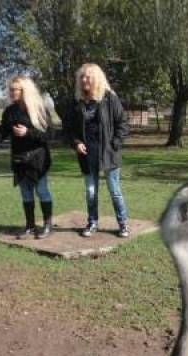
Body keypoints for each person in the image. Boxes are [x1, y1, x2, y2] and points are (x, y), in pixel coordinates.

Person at [0, 76, 53, 239]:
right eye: (10, 89)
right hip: (19, 160)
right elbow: (1, 132)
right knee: (26, 194)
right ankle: (29, 226)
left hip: (38, 161)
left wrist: (28, 132)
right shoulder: (10, 111)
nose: (10, 92)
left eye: (13, 89)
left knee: (42, 192)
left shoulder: (39, 109)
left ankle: (47, 225)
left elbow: (50, 135)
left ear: (24, 91)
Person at [64, 63, 130, 238]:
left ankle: (123, 223)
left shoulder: (109, 98)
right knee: (91, 191)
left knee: (114, 191)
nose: (84, 79)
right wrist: (76, 142)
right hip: (87, 155)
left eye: (88, 76)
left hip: (109, 153)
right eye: (81, 77)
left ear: (97, 79)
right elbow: (68, 129)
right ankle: (92, 222)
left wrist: (115, 143)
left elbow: (122, 124)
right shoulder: (76, 102)